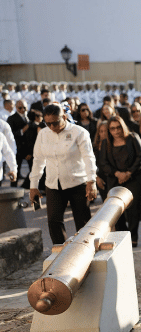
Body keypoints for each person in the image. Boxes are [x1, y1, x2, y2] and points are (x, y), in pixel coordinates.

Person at [29, 104, 97, 244]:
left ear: (64, 117)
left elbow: (88, 157)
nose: (52, 127)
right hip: (53, 184)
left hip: (78, 183)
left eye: (55, 122)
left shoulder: (79, 132)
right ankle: (61, 252)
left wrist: (91, 181)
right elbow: (38, 160)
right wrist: (33, 186)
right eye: (48, 123)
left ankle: (85, 249)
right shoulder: (43, 134)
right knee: (54, 221)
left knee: (82, 222)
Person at [97, 116, 141, 246]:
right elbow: (103, 163)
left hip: (134, 177)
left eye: (118, 127)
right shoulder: (106, 143)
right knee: (115, 208)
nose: (116, 131)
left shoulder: (133, 137)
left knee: (133, 207)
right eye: (112, 128)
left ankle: (133, 236)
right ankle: (123, 235)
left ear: (123, 126)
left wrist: (129, 173)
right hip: (115, 178)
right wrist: (117, 173)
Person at [93, 121, 110, 201]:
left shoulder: (113, 145)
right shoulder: (94, 146)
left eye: (105, 131)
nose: (103, 133)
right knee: (105, 201)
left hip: (111, 177)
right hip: (99, 178)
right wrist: (97, 178)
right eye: (101, 131)